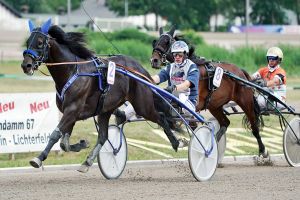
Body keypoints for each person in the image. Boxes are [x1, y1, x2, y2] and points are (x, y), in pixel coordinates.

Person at [114, 40, 199, 125]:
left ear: (185, 54)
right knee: (142, 96)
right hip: (172, 99)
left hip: (188, 101)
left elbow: (187, 84)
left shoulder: (192, 67)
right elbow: (157, 78)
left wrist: (174, 88)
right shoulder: (171, 67)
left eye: (180, 55)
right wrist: (142, 79)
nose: (177, 57)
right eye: (175, 54)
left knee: (180, 98)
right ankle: (124, 115)